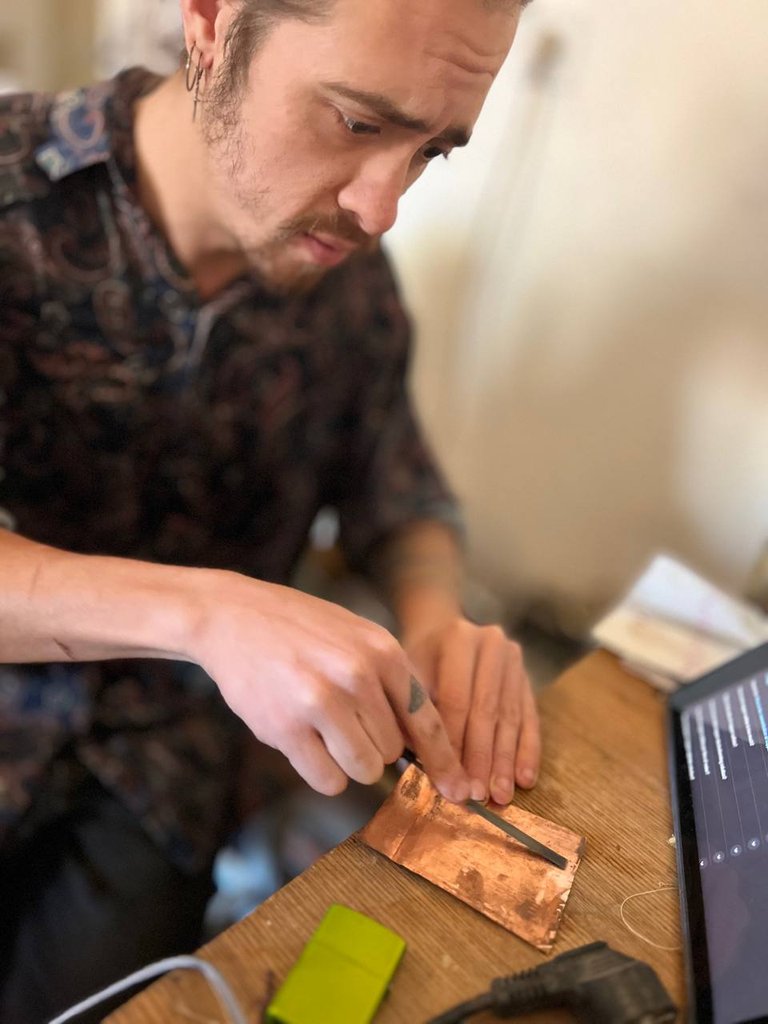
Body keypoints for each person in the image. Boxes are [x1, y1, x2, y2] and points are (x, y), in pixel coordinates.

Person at [0, 0, 539, 1019]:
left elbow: (398, 486)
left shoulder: (347, 278)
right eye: (356, 120)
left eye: (433, 150)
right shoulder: (12, 207)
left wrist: (436, 620)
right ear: (211, 21)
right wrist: (205, 613)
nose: (384, 206)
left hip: (164, 776)